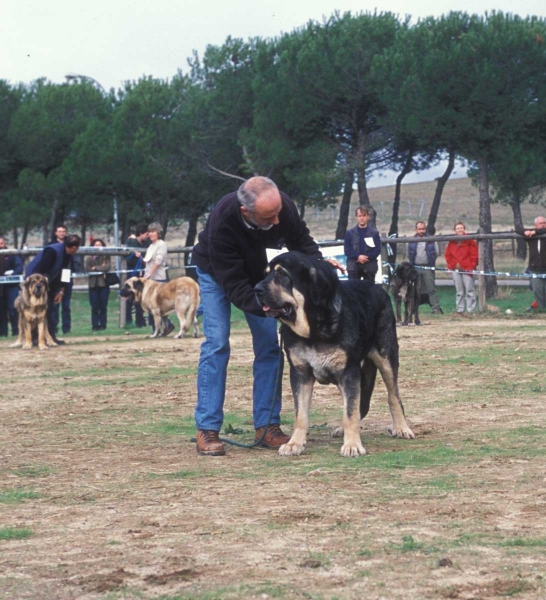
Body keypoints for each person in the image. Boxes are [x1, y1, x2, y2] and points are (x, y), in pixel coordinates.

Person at [192, 176, 342, 457]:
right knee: (217, 345)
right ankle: (207, 428)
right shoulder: (223, 222)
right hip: (216, 274)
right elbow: (234, 284)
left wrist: (320, 267)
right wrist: (268, 307)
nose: (276, 222)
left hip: (259, 273)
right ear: (245, 212)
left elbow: (302, 244)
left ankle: (267, 426)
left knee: (270, 348)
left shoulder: (282, 208)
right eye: (268, 216)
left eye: (277, 214)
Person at [25, 234, 82, 344]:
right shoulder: (52, 251)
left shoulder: (68, 254)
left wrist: (61, 291)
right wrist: (39, 289)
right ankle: (35, 338)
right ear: (74, 247)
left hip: (51, 282)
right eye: (78, 247)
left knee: (51, 309)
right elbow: (39, 271)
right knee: (36, 310)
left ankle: (51, 337)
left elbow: (65, 273)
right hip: (36, 282)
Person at [143, 222, 174, 335]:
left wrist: (150, 274)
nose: (151, 234)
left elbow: (158, 261)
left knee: (157, 306)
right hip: (149, 279)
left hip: (158, 279)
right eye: (149, 232)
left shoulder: (161, 244)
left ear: (158, 233)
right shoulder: (151, 246)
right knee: (151, 306)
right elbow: (148, 262)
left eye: (153, 231)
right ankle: (158, 329)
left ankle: (166, 326)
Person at [50, 225, 80, 335]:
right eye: (59, 231)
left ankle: (66, 328)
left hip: (67, 275)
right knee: (54, 306)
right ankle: (54, 328)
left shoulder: (71, 246)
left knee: (66, 305)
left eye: (63, 231)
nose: (62, 233)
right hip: (55, 279)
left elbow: (73, 263)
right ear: (55, 233)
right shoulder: (51, 245)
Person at [408, 221, 442, 314]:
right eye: (419, 229)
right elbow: (409, 254)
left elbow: (437, 253)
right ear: (416, 229)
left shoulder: (431, 239)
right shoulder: (411, 241)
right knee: (415, 289)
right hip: (415, 268)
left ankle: (436, 309)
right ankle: (413, 309)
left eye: (423, 229)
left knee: (431, 288)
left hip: (427, 267)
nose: (421, 231)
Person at [444, 222, 478, 314]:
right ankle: (460, 310)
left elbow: (474, 254)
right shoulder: (452, 241)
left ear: (464, 229)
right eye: (458, 228)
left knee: (469, 290)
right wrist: (451, 265)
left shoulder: (469, 240)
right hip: (455, 268)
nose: (460, 230)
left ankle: (471, 310)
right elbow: (448, 255)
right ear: (455, 230)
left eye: (461, 228)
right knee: (459, 291)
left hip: (467, 268)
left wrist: (472, 265)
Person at [343, 206, 381, 282]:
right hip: (353, 267)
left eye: (364, 215)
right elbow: (347, 250)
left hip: (369, 266)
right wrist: (357, 257)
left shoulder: (374, 233)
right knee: (353, 291)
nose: (362, 218)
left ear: (368, 217)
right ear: (356, 217)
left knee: (369, 292)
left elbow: (377, 250)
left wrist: (366, 258)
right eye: (360, 216)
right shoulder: (349, 233)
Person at [517, 216, 546, 310]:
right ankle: (541, 311)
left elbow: (541, 231)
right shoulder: (531, 236)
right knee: (537, 290)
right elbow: (518, 230)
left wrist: (536, 232)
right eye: (540, 223)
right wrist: (525, 232)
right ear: (535, 225)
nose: (543, 225)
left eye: (544, 223)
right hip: (534, 269)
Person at [125, 223, 150, 327]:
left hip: (141, 274)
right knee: (129, 297)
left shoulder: (145, 244)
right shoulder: (131, 242)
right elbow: (127, 256)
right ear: (141, 233)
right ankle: (128, 321)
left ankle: (140, 321)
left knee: (140, 298)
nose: (148, 236)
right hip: (131, 273)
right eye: (146, 234)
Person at [85, 238, 112, 331]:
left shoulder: (106, 256)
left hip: (103, 284)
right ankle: (95, 326)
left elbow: (107, 267)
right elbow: (87, 268)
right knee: (94, 307)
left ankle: (103, 325)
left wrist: (95, 268)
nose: (97, 246)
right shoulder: (89, 256)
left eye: (99, 244)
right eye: (96, 245)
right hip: (93, 285)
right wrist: (99, 268)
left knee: (103, 306)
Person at [0, 236, 24, 337]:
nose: (0, 246)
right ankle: (2, 333)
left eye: (1, 243)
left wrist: (13, 274)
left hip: (11, 287)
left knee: (13, 310)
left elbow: (19, 267)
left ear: (4, 243)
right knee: (1, 312)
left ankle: (16, 332)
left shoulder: (11, 254)